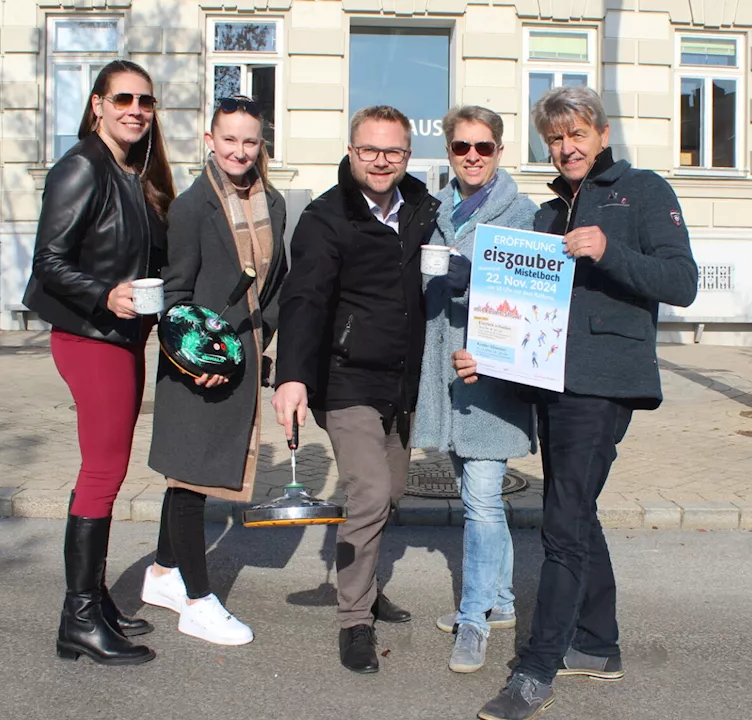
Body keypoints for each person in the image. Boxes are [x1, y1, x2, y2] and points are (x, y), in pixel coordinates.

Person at [460, 86, 698, 719]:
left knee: (562, 523)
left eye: (577, 135)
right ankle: (596, 645)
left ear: (601, 133)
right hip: (551, 384)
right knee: (578, 512)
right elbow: (529, 310)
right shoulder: (545, 215)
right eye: (556, 138)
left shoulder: (643, 190)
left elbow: (682, 283)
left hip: (605, 383)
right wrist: (489, 355)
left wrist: (608, 250)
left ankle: (536, 671)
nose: (566, 147)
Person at [271, 105, 440, 674]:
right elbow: (304, 299)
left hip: (402, 380)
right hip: (345, 379)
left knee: (391, 491)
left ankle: (364, 586)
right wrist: (291, 375)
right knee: (367, 490)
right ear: (351, 151)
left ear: (407, 156)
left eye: (392, 151)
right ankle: (354, 621)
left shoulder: (420, 207)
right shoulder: (327, 218)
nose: (381, 161)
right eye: (369, 150)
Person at [22, 60, 175, 665]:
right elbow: (48, 260)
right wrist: (102, 294)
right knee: (102, 473)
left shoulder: (128, 171)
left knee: (106, 470)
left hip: (120, 338)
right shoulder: (83, 166)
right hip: (92, 337)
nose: (135, 109)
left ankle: (93, 600)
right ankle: (79, 616)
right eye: (123, 99)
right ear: (97, 105)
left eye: (144, 100)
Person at [141, 96, 288, 646]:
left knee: (192, 471)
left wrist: (260, 341)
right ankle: (198, 602)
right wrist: (191, 357)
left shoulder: (272, 202)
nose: (240, 151)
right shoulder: (191, 206)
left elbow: (275, 283)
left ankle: (161, 574)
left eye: (250, 141)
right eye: (229, 139)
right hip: (194, 363)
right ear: (210, 140)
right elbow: (175, 293)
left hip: (241, 358)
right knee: (190, 476)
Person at [411, 105, 537, 674]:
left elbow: (538, 306)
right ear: (450, 150)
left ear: (500, 151)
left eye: (483, 147)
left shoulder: (525, 217)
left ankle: (473, 621)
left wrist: (479, 277)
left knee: (481, 502)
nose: (472, 156)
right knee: (476, 496)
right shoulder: (434, 210)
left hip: (493, 381)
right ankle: (502, 602)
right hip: (445, 373)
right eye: (462, 147)